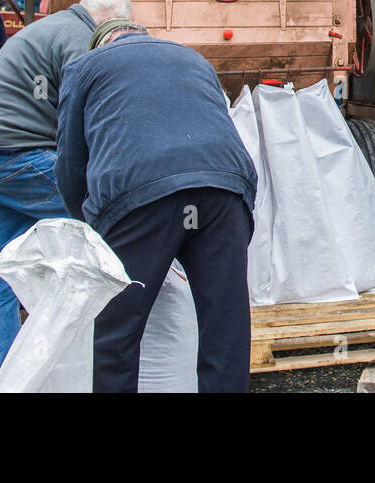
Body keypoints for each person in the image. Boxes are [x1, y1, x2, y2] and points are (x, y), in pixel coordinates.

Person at [55, 23, 257, 393]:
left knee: (117, 330)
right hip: (225, 190)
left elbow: (70, 162)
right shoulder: (195, 60)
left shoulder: (85, 66)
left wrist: (88, 228)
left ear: (103, 43)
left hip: (141, 194)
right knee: (225, 325)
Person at [0, 0, 135, 382]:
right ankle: (113, 346)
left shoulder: (48, 28)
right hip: (15, 154)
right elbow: (84, 105)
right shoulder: (79, 37)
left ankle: (0, 369)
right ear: (106, 19)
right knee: (106, 221)